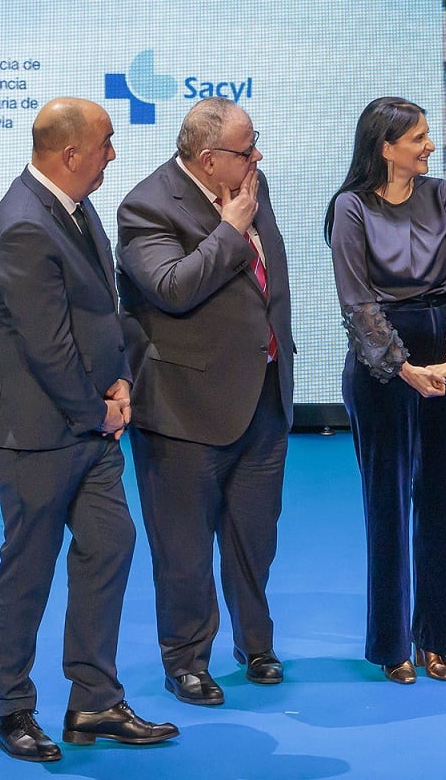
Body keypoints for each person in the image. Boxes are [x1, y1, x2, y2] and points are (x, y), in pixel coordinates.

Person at [0, 98, 178, 759]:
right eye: (106, 144)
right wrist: (102, 410)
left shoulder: (74, 206)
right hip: (34, 434)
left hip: (88, 427)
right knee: (27, 572)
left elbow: (99, 312)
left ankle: (92, 701)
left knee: (111, 542)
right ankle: (11, 711)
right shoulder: (22, 227)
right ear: (69, 154)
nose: (113, 155)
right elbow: (48, 347)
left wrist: (120, 378)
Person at [116, 98, 297, 706]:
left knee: (255, 536)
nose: (258, 158)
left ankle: (255, 641)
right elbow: (171, 288)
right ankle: (186, 659)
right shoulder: (145, 206)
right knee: (184, 548)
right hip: (184, 409)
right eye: (248, 150)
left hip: (263, 396)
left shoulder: (250, 183)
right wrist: (231, 228)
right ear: (208, 158)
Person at [327, 97, 446, 683]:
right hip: (382, 363)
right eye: (417, 137)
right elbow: (356, 298)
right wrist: (403, 367)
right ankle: (392, 644)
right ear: (385, 147)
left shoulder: (441, 194)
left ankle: (436, 638)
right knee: (386, 501)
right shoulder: (349, 208)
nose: (429, 146)